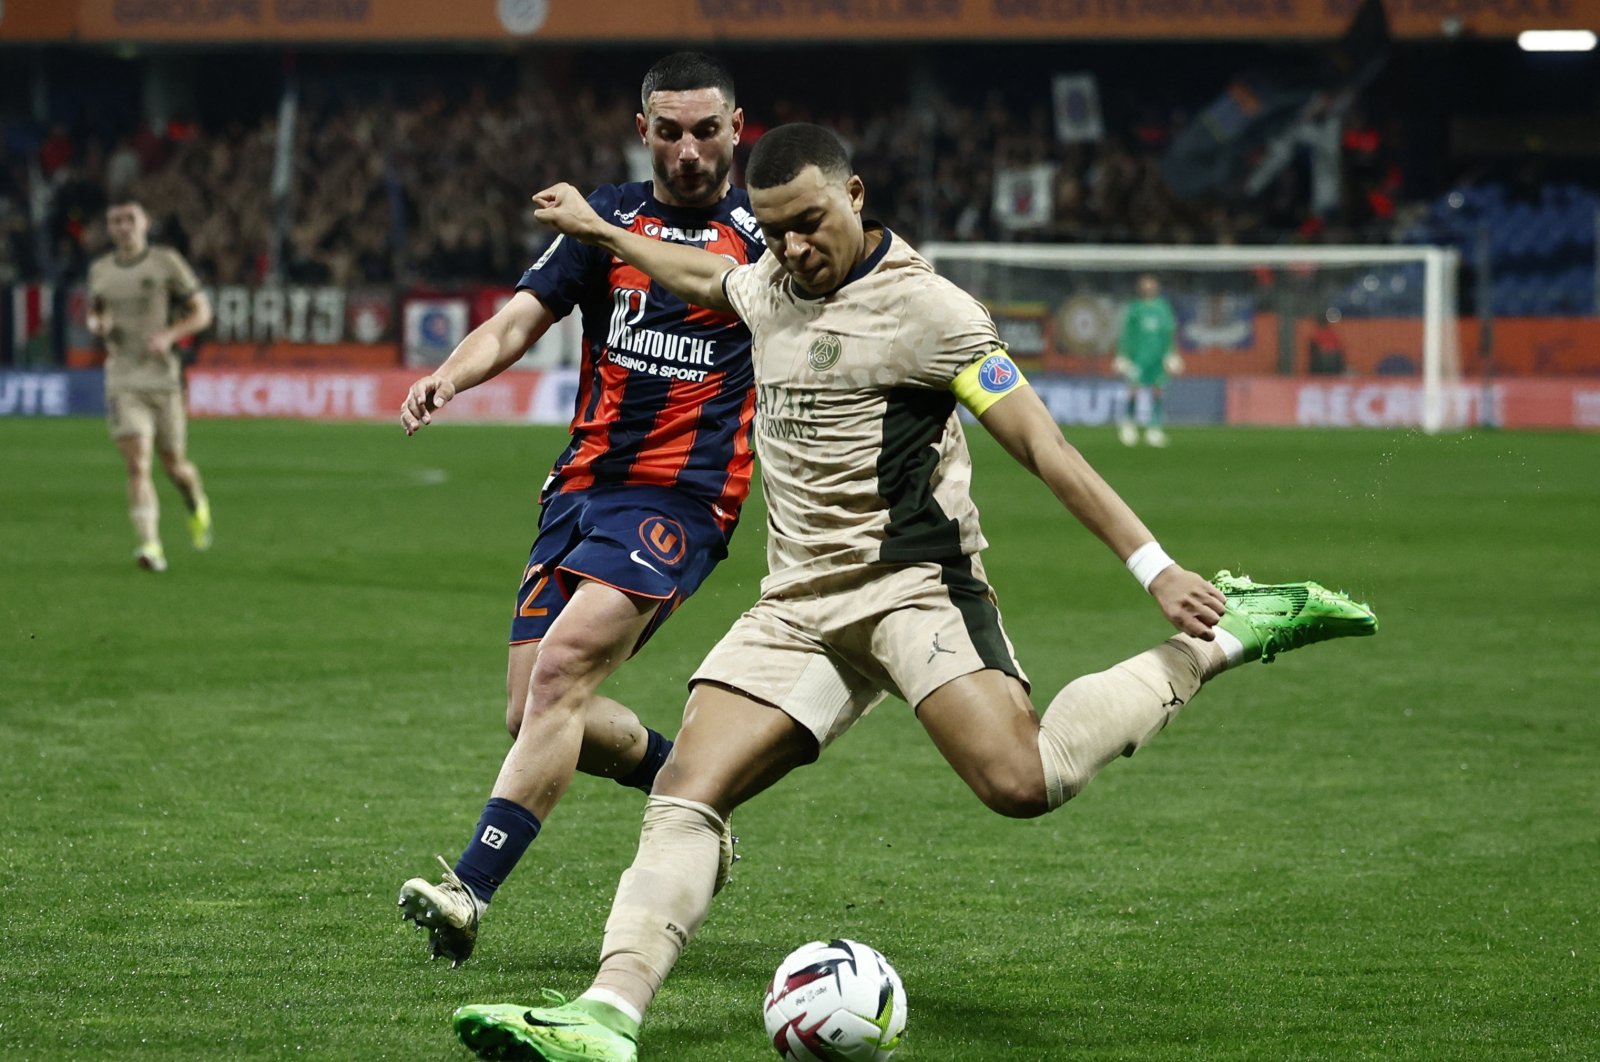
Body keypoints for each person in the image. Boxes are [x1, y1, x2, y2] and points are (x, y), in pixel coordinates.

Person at [448, 124, 1379, 1061]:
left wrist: (1156, 567)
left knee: (1024, 782)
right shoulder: (766, 284)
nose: (794, 250)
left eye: (810, 224)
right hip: (796, 605)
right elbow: (701, 276)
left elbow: (1043, 449)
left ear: (855, 196)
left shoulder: (934, 312)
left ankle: (1222, 638)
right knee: (687, 795)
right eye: (773, 232)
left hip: (913, 592)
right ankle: (608, 1017)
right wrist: (605, 234)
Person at [395, 53, 766, 968]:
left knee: (563, 669)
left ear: (736, 128)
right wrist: (452, 373)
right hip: (582, 490)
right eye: (670, 131)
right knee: (532, 710)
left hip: (684, 500)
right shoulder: (606, 218)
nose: (688, 150)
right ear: (645, 130)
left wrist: (600, 227)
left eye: (706, 130)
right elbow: (521, 318)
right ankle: (690, 784)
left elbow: (702, 282)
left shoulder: (763, 240)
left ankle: (468, 892)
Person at [86, 197, 214, 573]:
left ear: (145, 223)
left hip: (163, 379)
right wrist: (99, 325)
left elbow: (202, 312)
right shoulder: (101, 270)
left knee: (175, 466)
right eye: (115, 220)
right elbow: (97, 311)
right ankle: (150, 545)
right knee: (138, 463)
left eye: (129, 219)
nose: (122, 226)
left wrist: (171, 335)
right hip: (123, 378)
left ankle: (196, 502)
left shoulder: (165, 263)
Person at [1113, 272, 1181, 448]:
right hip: (1138, 357)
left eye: (1151, 284)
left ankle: (1154, 428)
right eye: (1145, 284)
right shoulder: (1135, 308)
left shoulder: (1162, 308)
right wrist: (1123, 355)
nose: (1148, 287)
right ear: (1140, 287)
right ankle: (1128, 425)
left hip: (1158, 358)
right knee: (1134, 389)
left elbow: (1169, 332)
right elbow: (1126, 334)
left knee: (1157, 390)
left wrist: (1172, 354)